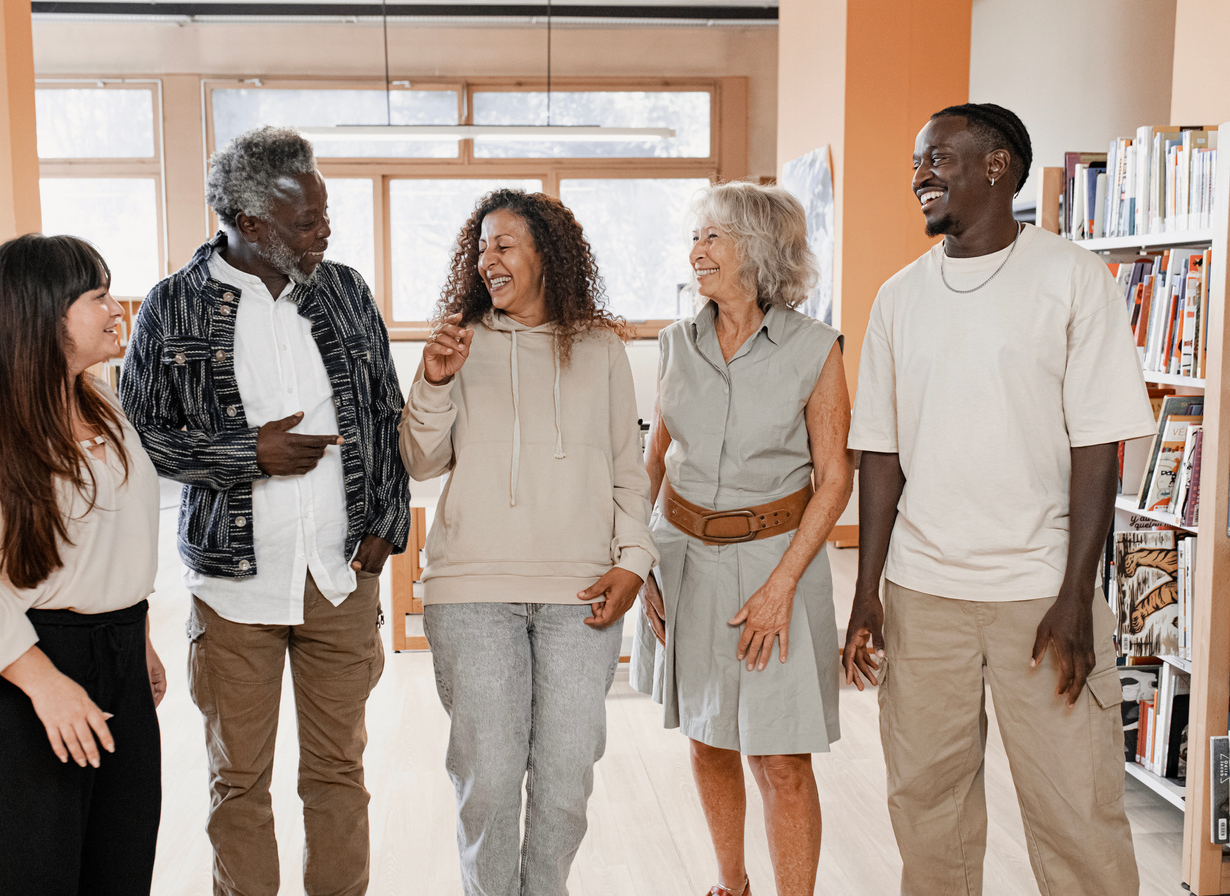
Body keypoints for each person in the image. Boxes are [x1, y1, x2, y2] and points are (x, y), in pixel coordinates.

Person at [842, 103, 1151, 896]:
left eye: (938, 158)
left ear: (997, 166)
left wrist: (1077, 597)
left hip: (1041, 597)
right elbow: (880, 452)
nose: (920, 176)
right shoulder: (899, 297)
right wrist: (867, 592)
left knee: (1076, 813)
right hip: (924, 595)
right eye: (917, 161)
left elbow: (1098, 449)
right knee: (926, 811)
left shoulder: (1073, 278)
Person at [120, 126, 410, 896]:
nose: (324, 232)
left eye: (323, 213)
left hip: (340, 581)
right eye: (306, 221)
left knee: (338, 774)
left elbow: (384, 412)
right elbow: (142, 437)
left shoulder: (345, 290)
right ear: (250, 225)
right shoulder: (171, 308)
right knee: (238, 784)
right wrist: (247, 453)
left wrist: (388, 524)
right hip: (232, 588)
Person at [398, 188, 658, 896]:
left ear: (548, 254)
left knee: (567, 775)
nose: (488, 260)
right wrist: (432, 382)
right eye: (481, 247)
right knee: (490, 779)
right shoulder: (460, 343)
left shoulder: (601, 348)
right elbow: (420, 462)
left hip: (580, 590)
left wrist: (635, 561)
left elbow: (625, 469)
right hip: (472, 590)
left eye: (504, 245)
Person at [0, 233, 166, 895]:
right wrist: (45, 682)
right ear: (44, 313)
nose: (116, 308)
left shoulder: (100, 407)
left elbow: (115, 538)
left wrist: (141, 640)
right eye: (97, 295)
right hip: (14, 672)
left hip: (117, 655)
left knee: (121, 869)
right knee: (31, 877)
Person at [631, 182, 851, 896]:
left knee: (781, 758)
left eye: (712, 238)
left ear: (757, 250)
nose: (696, 253)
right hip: (683, 556)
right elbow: (654, 461)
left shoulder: (814, 349)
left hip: (775, 560)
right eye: (696, 238)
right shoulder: (675, 344)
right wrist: (643, 565)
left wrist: (783, 586)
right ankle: (731, 886)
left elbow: (835, 478)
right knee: (706, 736)